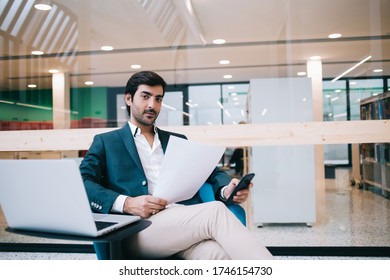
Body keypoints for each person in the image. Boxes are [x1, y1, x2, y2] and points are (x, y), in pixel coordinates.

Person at [79, 71, 273, 260]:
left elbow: (210, 172)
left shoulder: (176, 140)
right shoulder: (107, 142)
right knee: (215, 212)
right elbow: (82, 182)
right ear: (129, 99)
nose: (152, 105)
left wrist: (225, 190)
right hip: (137, 229)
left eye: (158, 99)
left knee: (218, 255)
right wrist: (127, 203)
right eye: (145, 97)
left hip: (182, 223)